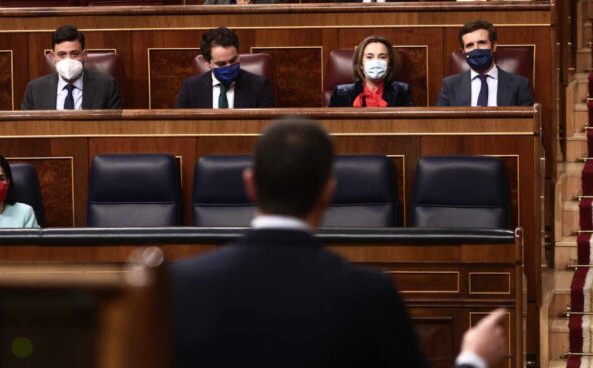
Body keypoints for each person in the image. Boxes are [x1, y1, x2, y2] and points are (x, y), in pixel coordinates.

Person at [169, 118, 506, 368]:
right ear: (329, 192)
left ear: (250, 185)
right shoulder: (370, 294)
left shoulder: (179, 286)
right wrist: (473, 359)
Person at [21, 25, 123, 110]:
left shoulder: (107, 86)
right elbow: (27, 129)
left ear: (84, 55)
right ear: (53, 57)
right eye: (61, 54)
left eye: (74, 54)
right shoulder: (35, 89)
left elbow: (114, 128)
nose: (68, 59)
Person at [436, 19, 534, 107]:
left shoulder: (520, 84)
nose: (476, 49)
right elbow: (440, 123)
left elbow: (528, 123)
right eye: (470, 45)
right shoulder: (450, 85)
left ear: (494, 46)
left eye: (481, 43)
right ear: (463, 51)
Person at [175, 27, 274, 109]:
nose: (229, 67)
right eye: (221, 64)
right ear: (207, 63)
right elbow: (179, 127)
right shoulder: (191, 88)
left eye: (233, 60)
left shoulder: (259, 86)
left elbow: (266, 128)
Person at [329, 35, 412, 107]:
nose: (376, 62)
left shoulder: (402, 91)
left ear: (389, 64)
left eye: (382, 57)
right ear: (361, 64)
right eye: (369, 57)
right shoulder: (341, 93)